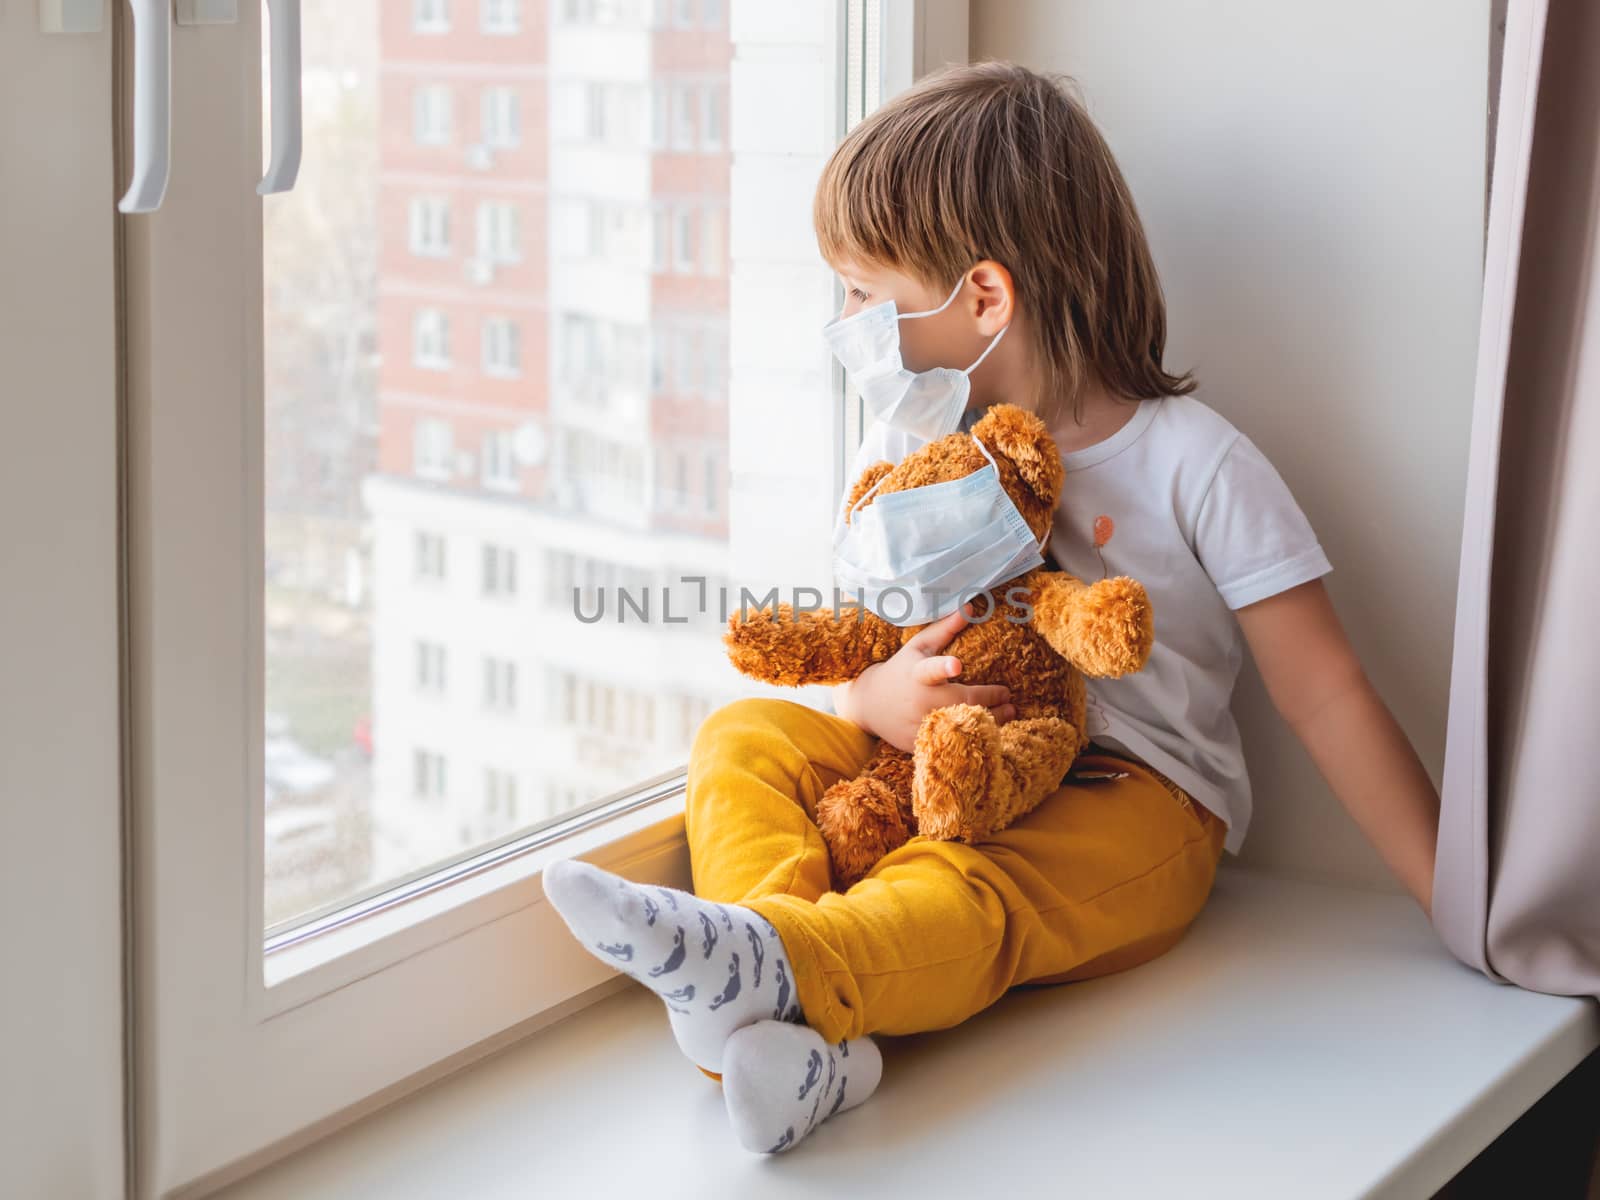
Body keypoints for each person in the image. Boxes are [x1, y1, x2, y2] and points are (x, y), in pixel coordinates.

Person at [541, 60, 1442, 1156]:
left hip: (1132, 802)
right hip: (933, 771)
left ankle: (776, 976)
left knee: (964, 884)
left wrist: (1455, 899)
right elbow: (867, 633)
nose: (846, 320)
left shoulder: (1193, 466)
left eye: (864, 293)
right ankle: (780, 988)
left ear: (982, 299)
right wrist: (876, 696)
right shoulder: (914, 449)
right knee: (744, 737)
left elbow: (1327, 693)